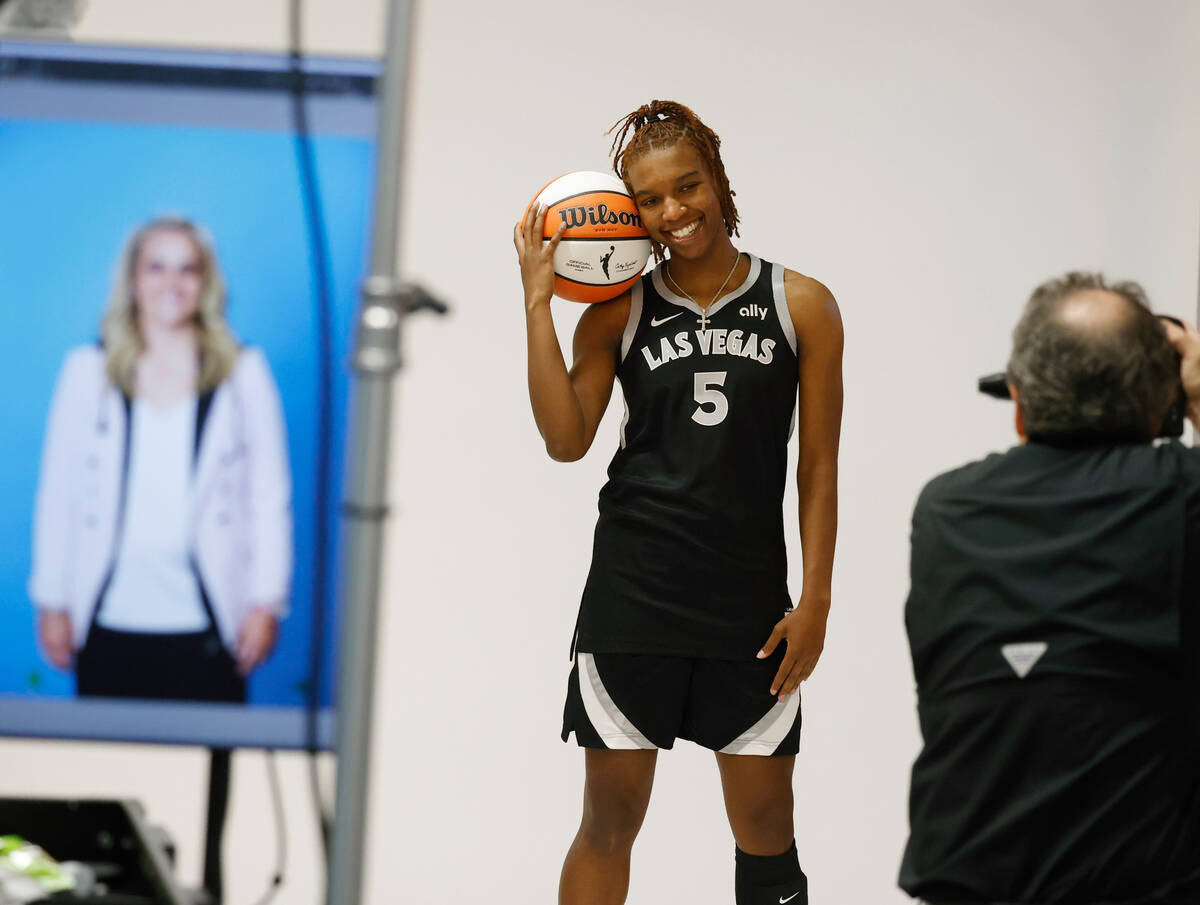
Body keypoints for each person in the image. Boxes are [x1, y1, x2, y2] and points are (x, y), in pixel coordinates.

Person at [513, 101, 843, 905]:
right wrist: (535, 303)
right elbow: (566, 439)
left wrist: (817, 600)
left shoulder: (802, 303)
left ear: (718, 181)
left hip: (749, 604)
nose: (674, 212)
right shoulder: (617, 309)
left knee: (767, 824)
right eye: (652, 201)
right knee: (610, 817)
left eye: (687, 187)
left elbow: (820, 466)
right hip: (636, 593)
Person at [900, 272, 1200, 904]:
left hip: (964, 888)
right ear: (1160, 402)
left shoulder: (946, 508)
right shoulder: (1179, 494)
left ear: (1018, 404)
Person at [29, 216, 292, 703]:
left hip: (210, 622)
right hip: (107, 619)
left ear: (206, 283)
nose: (172, 283)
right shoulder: (87, 372)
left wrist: (266, 603)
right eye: (157, 268)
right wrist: (52, 600)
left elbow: (269, 496)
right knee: (109, 775)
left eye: (187, 269)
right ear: (133, 281)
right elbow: (58, 493)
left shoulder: (243, 373)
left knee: (206, 770)